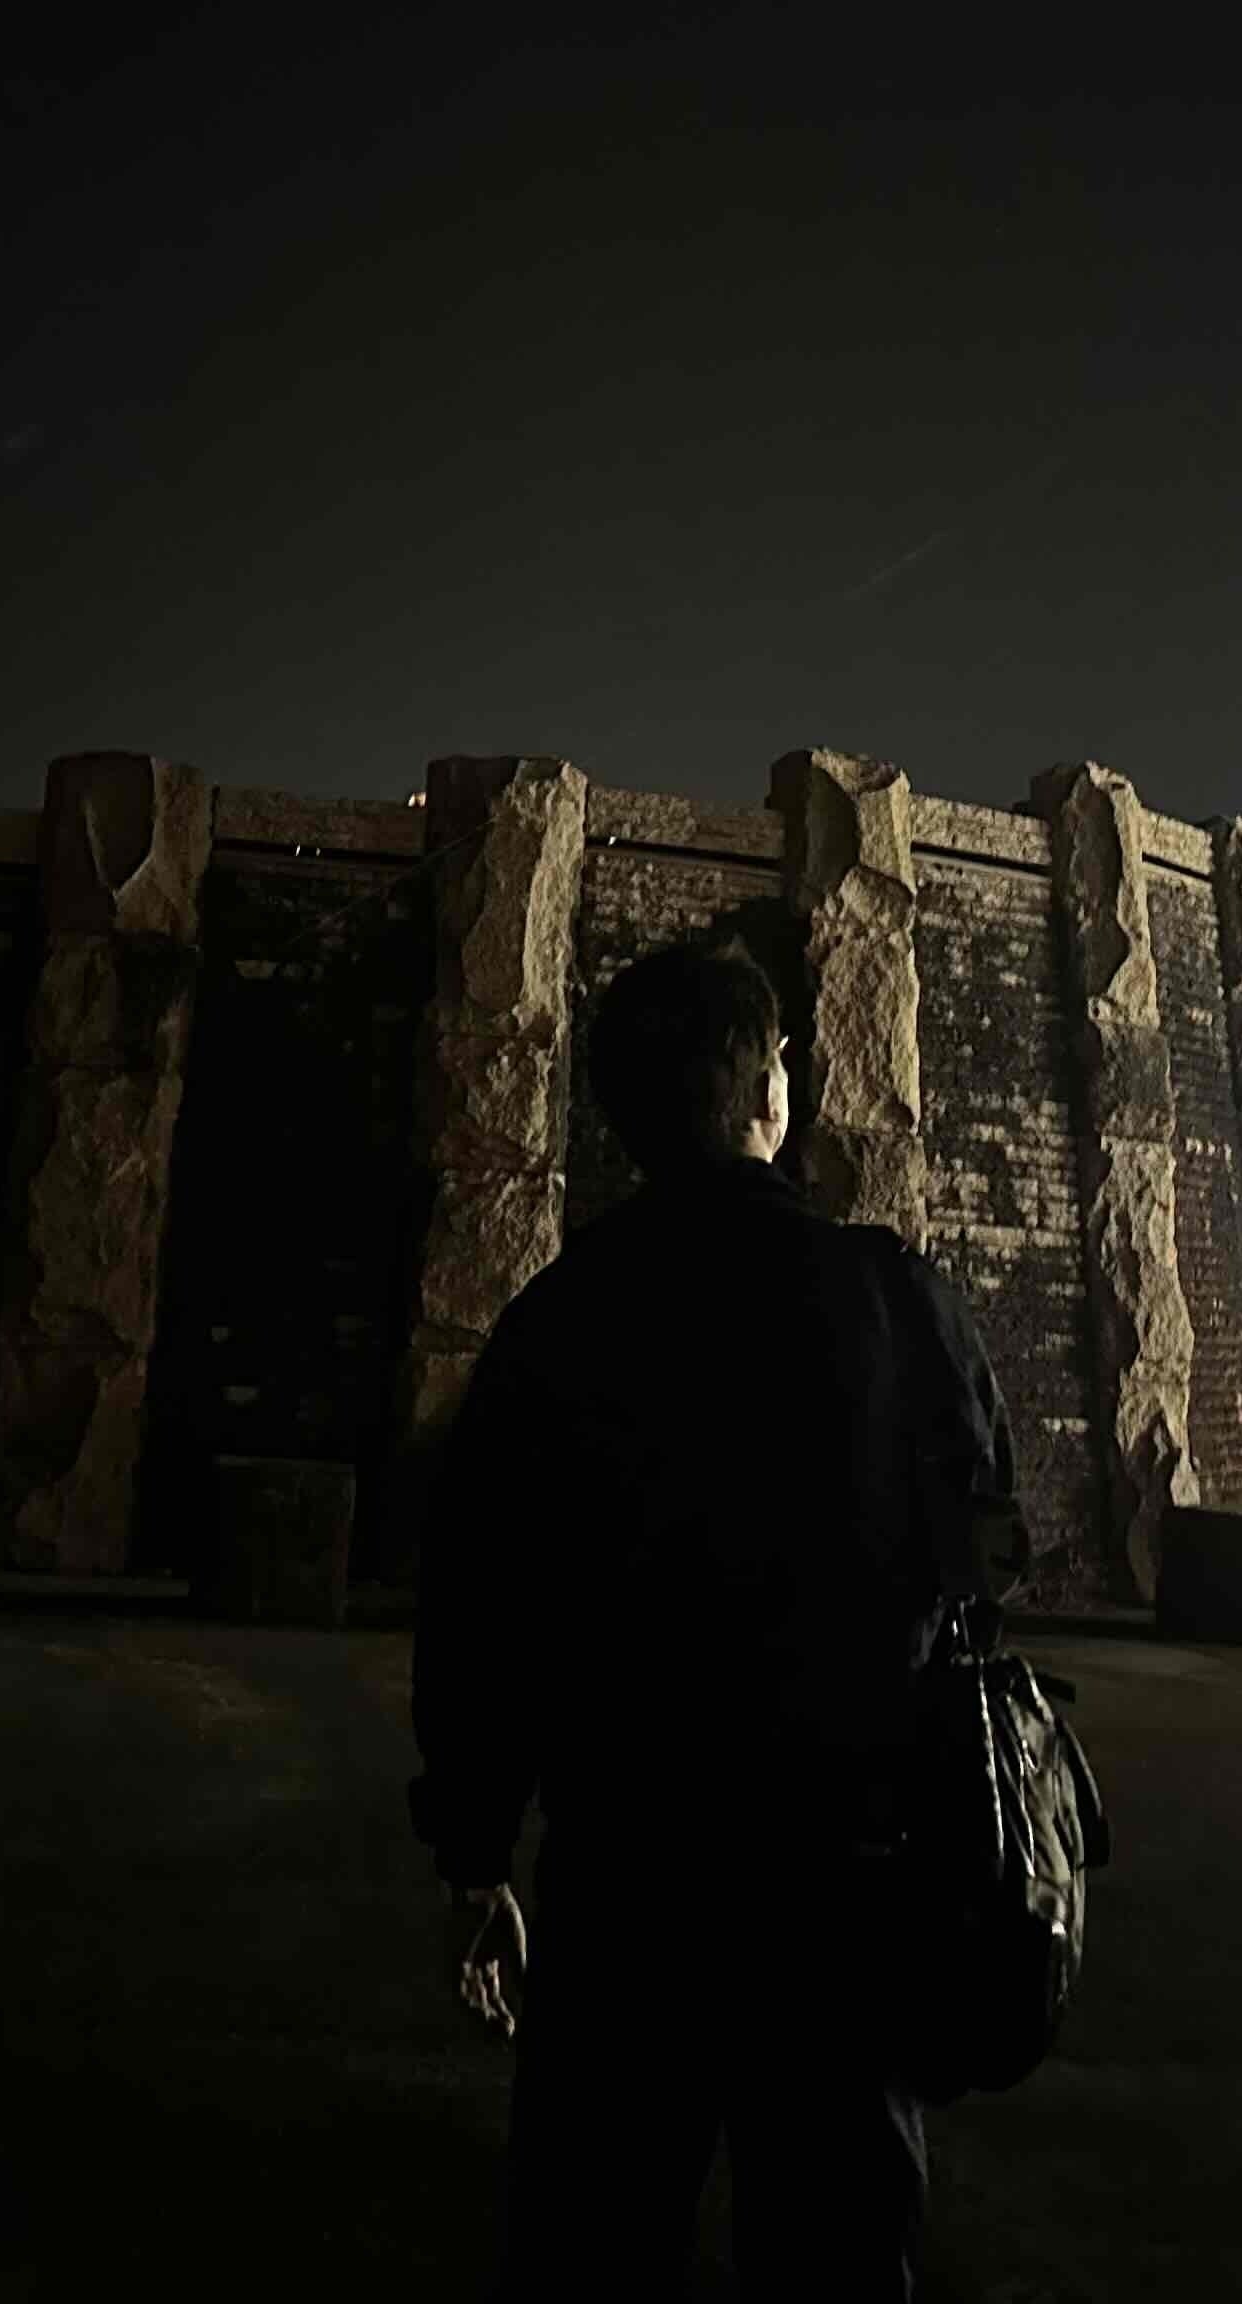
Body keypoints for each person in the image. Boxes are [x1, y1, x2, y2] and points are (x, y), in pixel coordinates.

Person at [411, 935, 1023, 2298]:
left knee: (594, 2240)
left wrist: (474, 1852)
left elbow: (479, 1607)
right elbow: (990, 1559)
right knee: (839, 2254)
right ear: (764, 1094)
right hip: (847, 1882)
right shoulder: (894, 1299)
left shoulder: (559, 1320)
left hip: (628, 1879)